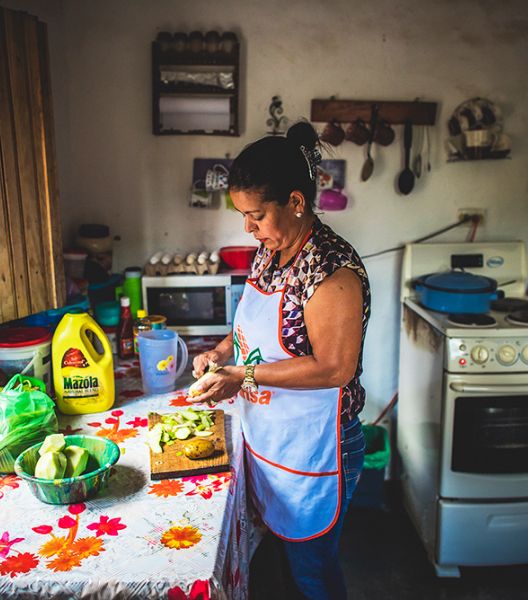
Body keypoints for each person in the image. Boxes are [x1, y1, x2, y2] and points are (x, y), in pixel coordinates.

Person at [189, 121, 371, 599]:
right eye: (242, 215)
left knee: (312, 571)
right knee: (278, 561)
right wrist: (220, 353)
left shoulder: (331, 271)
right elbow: (250, 325)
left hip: (319, 445)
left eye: (254, 215)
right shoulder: (271, 251)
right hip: (273, 435)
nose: (247, 228)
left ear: (295, 202)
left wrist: (241, 374)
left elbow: (335, 368)